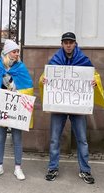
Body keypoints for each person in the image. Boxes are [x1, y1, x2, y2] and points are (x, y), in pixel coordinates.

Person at [42, 32, 96, 184]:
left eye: (70, 42)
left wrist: (93, 83)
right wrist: (45, 80)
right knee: (54, 138)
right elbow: (45, 77)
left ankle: (85, 170)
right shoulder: (55, 59)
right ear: (62, 44)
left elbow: (93, 75)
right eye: (65, 42)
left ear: (75, 43)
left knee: (82, 139)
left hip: (77, 106)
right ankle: (52, 168)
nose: (68, 45)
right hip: (58, 105)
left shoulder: (83, 59)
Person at [0, 39, 34, 180]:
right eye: (14, 51)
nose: (17, 54)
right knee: (0, 138)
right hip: (2, 109)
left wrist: (18, 93)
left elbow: (29, 88)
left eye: (18, 51)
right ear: (7, 53)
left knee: (17, 139)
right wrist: (1, 90)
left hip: (16, 109)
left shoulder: (21, 67)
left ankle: (18, 168)